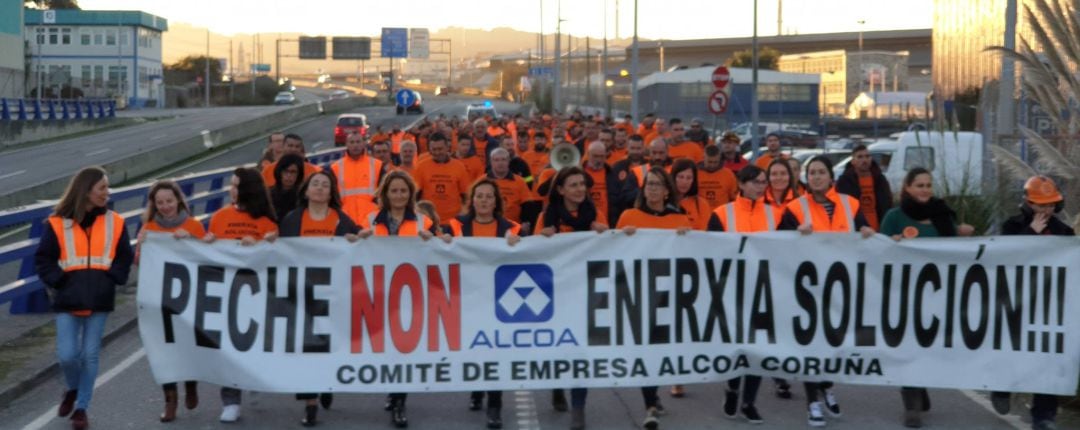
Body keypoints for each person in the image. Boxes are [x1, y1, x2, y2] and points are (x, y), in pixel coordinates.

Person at [777, 156, 875, 428]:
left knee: (831, 343)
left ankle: (826, 385)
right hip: (807, 288)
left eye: (821, 172)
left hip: (840, 287)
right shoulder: (795, 208)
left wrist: (868, 231)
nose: (816, 177)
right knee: (811, 344)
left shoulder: (850, 204)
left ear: (831, 176)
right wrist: (794, 232)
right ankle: (813, 402)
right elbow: (776, 244)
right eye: (812, 173)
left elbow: (865, 233)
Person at [34, 166, 134, 430]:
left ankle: (81, 408)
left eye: (107, 187)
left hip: (100, 298)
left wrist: (113, 277)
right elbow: (43, 259)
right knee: (67, 355)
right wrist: (59, 280)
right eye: (102, 188)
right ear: (86, 190)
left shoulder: (115, 222)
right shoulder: (57, 223)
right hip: (68, 298)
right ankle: (73, 388)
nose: (107, 193)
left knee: (89, 355)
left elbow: (125, 255)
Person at [879, 167, 974, 428]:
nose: (925, 190)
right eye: (919, 185)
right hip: (904, 293)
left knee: (929, 343)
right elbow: (877, 251)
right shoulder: (894, 217)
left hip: (938, 293)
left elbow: (954, 250)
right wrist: (891, 242)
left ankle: (919, 386)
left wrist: (963, 234)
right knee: (909, 343)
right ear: (907, 188)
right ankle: (910, 401)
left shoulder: (942, 215)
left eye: (928, 185)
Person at [991, 175, 1074, 430]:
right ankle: (1002, 388)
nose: (1046, 210)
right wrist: (1030, 234)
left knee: (1048, 357)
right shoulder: (1012, 227)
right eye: (1041, 205)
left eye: (1050, 205)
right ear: (1028, 204)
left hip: (1049, 305)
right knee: (1014, 351)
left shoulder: (1064, 231)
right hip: (1017, 303)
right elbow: (1004, 258)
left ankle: (1044, 415)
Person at [357, 171, 439, 428]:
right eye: (394, 191)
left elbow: (441, 253)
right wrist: (359, 240)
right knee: (386, 347)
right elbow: (357, 252)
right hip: (380, 292)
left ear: (410, 194)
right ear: (385, 194)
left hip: (411, 294)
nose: (399, 195)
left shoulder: (423, 222)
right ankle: (393, 391)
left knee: (404, 348)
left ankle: (400, 401)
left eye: (404, 191)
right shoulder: (370, 220)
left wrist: (433, 240)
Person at [278, 170, 359, 427]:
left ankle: (327, 383)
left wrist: (357, 240)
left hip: (332, 295)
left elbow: (359, 247)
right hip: (301, 294)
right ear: (306, 190)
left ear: (331, 192)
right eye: (316, 184)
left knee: (327, 345)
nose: (321, 188)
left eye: (326, 185)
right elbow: (278, 254)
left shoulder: (341, 221)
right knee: (306, 347)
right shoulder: (292, 221)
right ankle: (309, 402)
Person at [615, 167, 692, 430]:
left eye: (658, 184)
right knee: (645, 349)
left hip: (669, 295)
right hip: (638, 293)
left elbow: (693, 256)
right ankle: (649, 405)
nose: (652, 189)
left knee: (660, 350)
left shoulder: (679, 219)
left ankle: (653, 393)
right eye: (649, 184)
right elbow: (611, 253)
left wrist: (686, 238)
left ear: (667, 189)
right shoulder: (629, 216)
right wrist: (621, 238)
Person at [444, 179, 522, 430]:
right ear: (472, 200)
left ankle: (495, 404)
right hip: (467, 297)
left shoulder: (512, 228)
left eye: (489, 196)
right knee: (473, 347)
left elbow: (530, 254)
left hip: (499, 300)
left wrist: (520, 244)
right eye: (480, 196)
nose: (484, 200)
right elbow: (437, 249)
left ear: (496, 201)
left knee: (494, 351)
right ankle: (477, 388)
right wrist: (441, 240)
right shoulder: (456, 226)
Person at [535, 166, 609, 430]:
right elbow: (533, 256)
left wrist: (605, 235)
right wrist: (540, 239)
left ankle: (579, 407)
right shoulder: (546, 217)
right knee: (556, 347)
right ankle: (556, 384)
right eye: (574, 185)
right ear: (561, 190)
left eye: (582, 184)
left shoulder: (595, 215)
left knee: (581, 351)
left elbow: (610, 250)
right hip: (554, 294)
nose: (580, 189)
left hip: (585, 293)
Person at [205, 167, 279, 423]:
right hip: (226, 291)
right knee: (228, 348)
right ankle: (231, 400)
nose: (230, 189)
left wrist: (263, 243)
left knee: (254, 343)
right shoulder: (218, 217)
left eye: (235, 185)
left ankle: (255, 376)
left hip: (257, 292)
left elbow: (276, 256)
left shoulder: (267, 222)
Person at [705, 165, 776, 425]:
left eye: (764, 182)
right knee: (737, 347)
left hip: (764, 290)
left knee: (759, 347)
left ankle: (749, 402)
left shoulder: (775, 214)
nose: (761, 186)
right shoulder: (721, 214)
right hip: (732, 292)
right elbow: (710, 253)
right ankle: (733, 388)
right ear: (742, 184)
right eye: (757, 182)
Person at [135, 180, 206, 423]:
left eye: (169, 201)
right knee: (163, 349)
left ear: (178, 200)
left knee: (187, 345)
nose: (165, 206)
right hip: (159, 299)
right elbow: (139, 263)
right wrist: (143, 245)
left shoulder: (194, 226)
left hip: (189, 298)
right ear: (154, 205)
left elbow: (209, 258)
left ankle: (191, 383)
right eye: (160, 202)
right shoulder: (149, 228)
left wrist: (192, 241)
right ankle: (170, 399)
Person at [414, 133, 472, 228]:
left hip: (453, 221)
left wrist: (464, 214)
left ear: (447, 148)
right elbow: (415, 196)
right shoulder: (421, 167)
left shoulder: (459, 166)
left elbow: (466, 195)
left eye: (440, 149)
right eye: (434, 149)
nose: (437, 152)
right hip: (429, 221)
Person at [330, 131, 386, 225]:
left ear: (364, 143)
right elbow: (332, 195)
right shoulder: (336, 167)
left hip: (372, 218)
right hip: (345, 218)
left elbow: (384, 192)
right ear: (346, 144)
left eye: (358, 142)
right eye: (352, 142)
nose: (355, 145)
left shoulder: (377, 165)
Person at [836, 144, 893, 231]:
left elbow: (888, 203)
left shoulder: (880, 179)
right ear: (853, 161)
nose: (864, 160)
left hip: (878, 230)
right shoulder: (845, 181)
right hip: (856, 230)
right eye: (860, 157)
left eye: (867, 156)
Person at [487, 148, 541, 229]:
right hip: (489, 226)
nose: (500, 163)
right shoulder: (483, 181)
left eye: (503, 160)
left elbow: (527, 204)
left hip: (514, 227)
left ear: (508, 161)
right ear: (491, 162)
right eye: (496, 160)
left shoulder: (519, 181)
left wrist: (525, 222)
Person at [670, 159, 712, 231]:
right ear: (673, 177)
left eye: (689, 178)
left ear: (693, 180)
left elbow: (705, 233)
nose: (684, 182)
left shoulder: (702, 204)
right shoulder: (663, 202)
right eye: (681, 177)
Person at [697, 145, 739, 210]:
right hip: (701, 214)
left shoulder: (728, 174)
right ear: (704, 158)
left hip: (722, 215)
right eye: (709, 162)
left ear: (719, 159)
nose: (712, 165)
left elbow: (735, 197)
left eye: (715, 162)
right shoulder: (696, 173)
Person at [269, 154, 305, 220]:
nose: (288, 175)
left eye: (293, 172)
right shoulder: (268, 194)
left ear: (299, 174)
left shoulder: (303, 196)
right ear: (279, 171)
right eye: (285, 171)